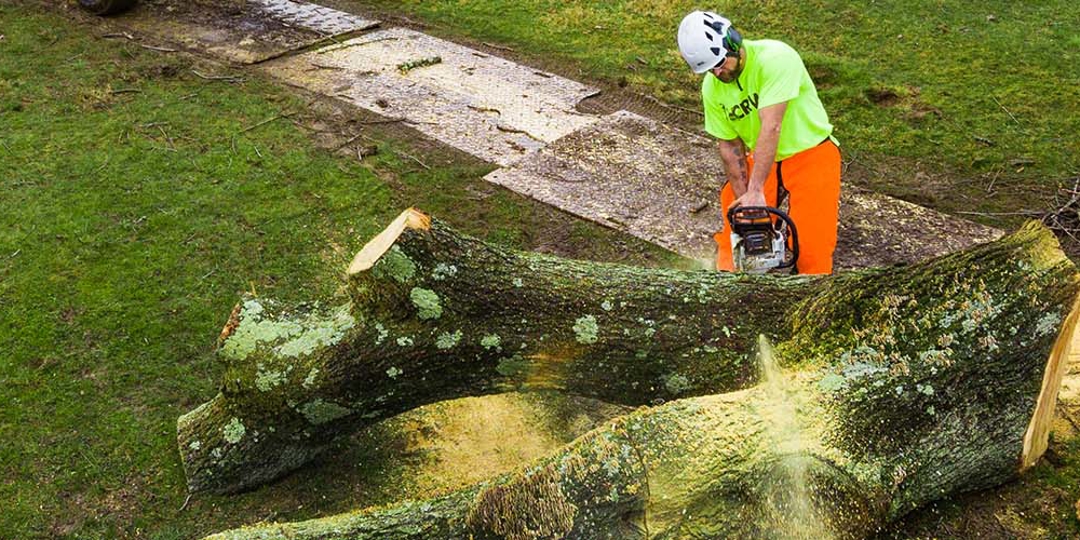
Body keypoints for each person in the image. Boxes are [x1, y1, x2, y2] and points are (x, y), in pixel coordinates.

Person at [677, 11, 842, 275]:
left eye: (720, 63)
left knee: (812, 246)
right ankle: (730, 280)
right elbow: (729, 145)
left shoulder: (776, 59)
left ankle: (810, 288)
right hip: (765, 157)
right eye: (710, 69)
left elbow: (771, 126)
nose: (717, 72)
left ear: (732, 42)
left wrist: (756, 191)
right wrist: (745, 198)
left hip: (812, 151)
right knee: (736, 217)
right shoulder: (712, 88)